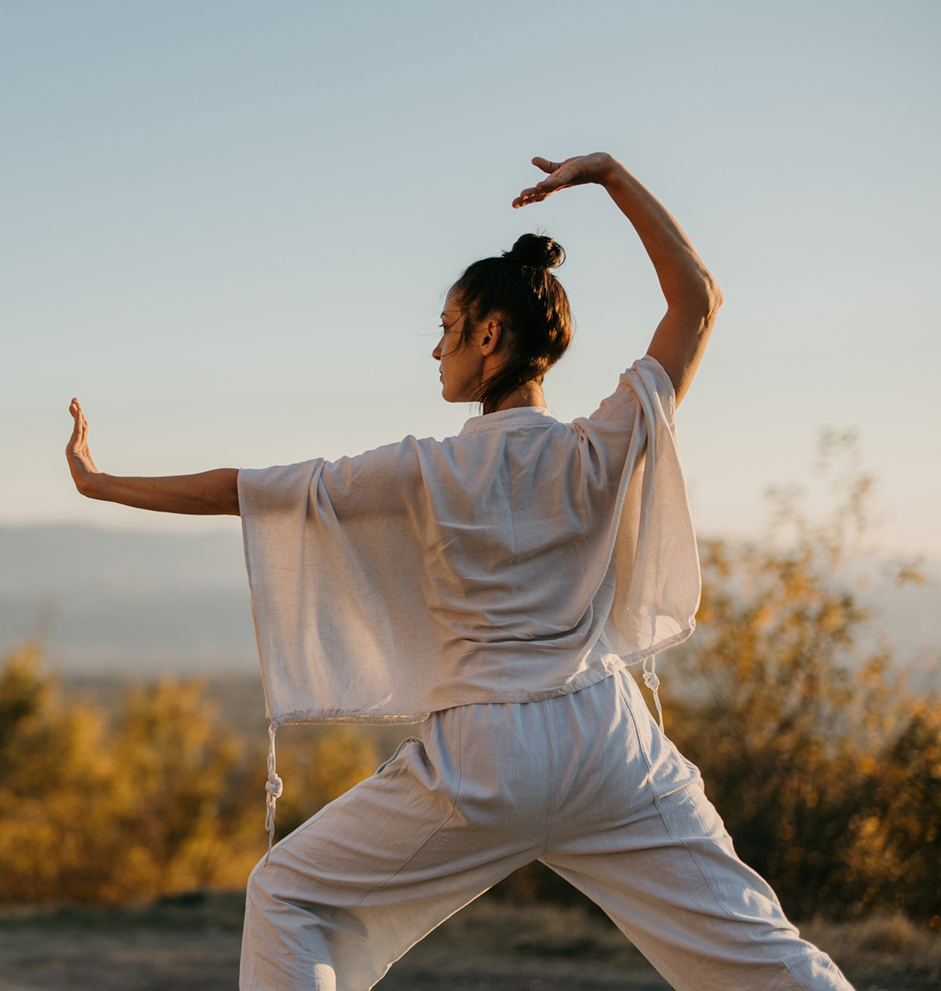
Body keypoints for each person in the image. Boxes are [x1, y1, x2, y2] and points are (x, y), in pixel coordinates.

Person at [65, 153, 853, 991]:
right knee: (763, 958)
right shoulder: (602, 445)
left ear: (489, 335)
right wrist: (611, 176)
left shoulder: (421, 470)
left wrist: (100, 481)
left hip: (484, 760)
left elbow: (248, 493)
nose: (435, 346)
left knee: (289, 896)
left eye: (447, 326)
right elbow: (697, 300)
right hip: (609, 747)